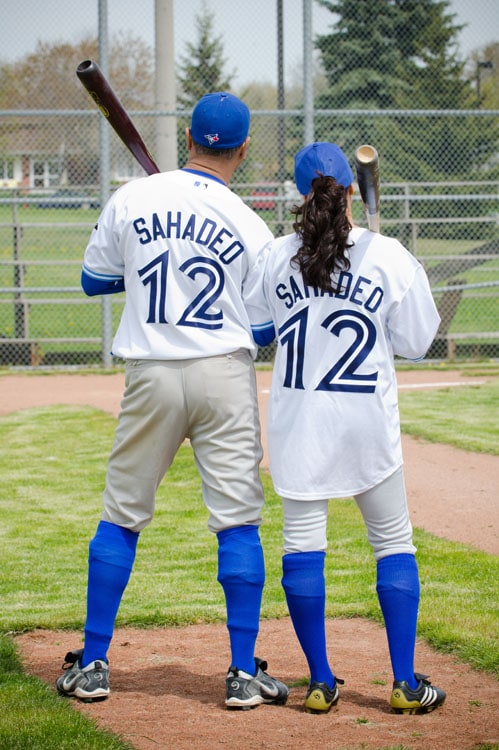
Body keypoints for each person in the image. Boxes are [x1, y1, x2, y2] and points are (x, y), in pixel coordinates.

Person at [55, 91, 289, 711]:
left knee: (122, 513)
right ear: (242, 148)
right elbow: (263, 326)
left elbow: (91, 279)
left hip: (151, 371)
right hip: (224, 374)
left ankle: (96, 662)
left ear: (189, 136)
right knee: (237, 519)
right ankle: (242, 673)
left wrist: (155, 254)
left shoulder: (133, 197)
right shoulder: (248, 219)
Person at [246, 142, 446, 715]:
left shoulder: (274, 255)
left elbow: (260, 332)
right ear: (350, 192)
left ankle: (319, 681)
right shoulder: (388, 254)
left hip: (299, 425)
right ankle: (405, 682)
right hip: (367, 426)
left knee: (303, 548)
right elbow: (414, 343)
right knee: (392, 543)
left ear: (297, 193)